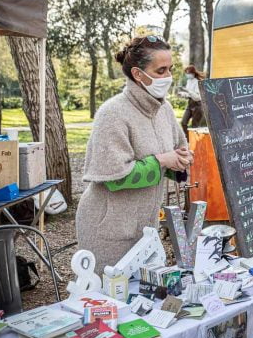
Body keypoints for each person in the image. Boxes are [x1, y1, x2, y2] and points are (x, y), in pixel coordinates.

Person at [75, 35, 193, 273]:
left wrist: (181, 160)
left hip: (146, 227)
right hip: (108, 231)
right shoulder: (113, 114)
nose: (168, 77)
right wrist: (162, 160)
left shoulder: (165, 109)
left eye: (170, 69)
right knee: (110, 300)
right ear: (138, 74)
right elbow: (115, 178)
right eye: (160, 71)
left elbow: (177, 152)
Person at [179, 65, 206, 137]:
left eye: (188, 73)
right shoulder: (188, 81)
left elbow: (197, 97)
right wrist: (183, 94)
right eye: (186, 73)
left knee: (195, 126)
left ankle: (194, 142)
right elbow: (189, 95)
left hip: (197, 105)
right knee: (183, 122)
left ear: (193, 73)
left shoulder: (197, 82)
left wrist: (188, 91)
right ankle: (188, 139)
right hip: (190, 104)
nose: (187, 74)